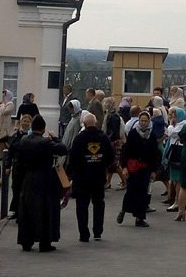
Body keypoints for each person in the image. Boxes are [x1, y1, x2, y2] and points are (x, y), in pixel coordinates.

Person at [16, 115, 69, 252]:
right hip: (44, 180)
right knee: (45, 211)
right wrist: (55, 138)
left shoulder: (24, 140)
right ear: (43, 129)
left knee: (27, 210)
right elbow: (63, 149)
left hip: (28, 178)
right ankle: (44, 242)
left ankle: (26, 240)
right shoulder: (45, 143)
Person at [66, 112, 114, 242]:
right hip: (98, 177)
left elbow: (73, 159)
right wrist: (102, 164)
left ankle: (84, 234)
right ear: (96, 123)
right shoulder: (103, 137)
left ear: (84, 124)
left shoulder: (79, 138)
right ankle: (97, 231)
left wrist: (71, 175)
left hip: (82, 178)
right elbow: (111, 156)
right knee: (99, 203)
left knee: (82, 205)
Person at [117, 111, 160, 227]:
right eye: (142, 120)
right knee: (131, 190)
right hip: (133, 167)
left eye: (146, 121)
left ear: (149, 121)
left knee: (143, 193)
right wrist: (124, 167)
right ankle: (124, 210)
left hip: (145, 168)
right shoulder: (133, 134)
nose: (144, 123)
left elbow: (155, 154)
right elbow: (126, 152)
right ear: (139, 121)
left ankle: (139, 218)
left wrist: (154, 171)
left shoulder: (152, 136)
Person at [4, 113, 32, 218]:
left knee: (26, 190)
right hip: (17, 166)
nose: (25, 123)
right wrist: (8, 166)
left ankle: (25, 212)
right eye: (24, 121)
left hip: (28, 167)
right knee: (16, 188)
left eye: (27, 121)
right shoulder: (16, 136)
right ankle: (16, 211)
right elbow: (10, 151)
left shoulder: (31, 135)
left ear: (30, 123)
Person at [163, 107, 186, 210]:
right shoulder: (178, 124)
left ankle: (178, 201)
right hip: (174, 153)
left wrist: (170, 124)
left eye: (175, 116)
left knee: (177, 180)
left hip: (177, 154)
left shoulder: (183, 124)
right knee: (174, 180)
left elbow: (172, 133)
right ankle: (177, 200)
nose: (173, 118)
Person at [103, 97, 127, 190]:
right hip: (114, 140)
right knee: (112, 163)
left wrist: (108, 139)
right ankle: (108, 182)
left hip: (113, 141)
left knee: (115, 164)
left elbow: (113, 131)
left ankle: (124, 182)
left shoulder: (112, 116)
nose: (104, 104)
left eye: (105, 103)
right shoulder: (113, 115)